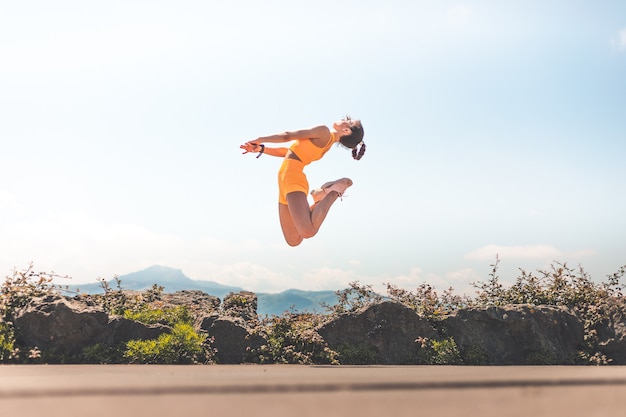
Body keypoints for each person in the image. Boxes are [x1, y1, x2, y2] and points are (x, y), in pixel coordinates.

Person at [240, 116, 365, 246]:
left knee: (308, 232)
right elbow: (289, 152)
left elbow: (287, 136)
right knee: (294, 240)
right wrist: (261, 148)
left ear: (346, 131)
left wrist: (260, 139)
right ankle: (320, 198)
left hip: (293, 177)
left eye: (349, 122)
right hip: (285, 180)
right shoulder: (328, 142)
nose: (344, 118)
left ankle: (335, 191)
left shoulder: (323, 132)